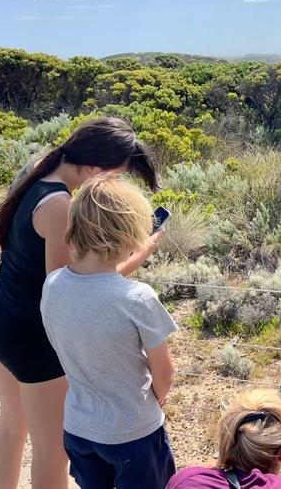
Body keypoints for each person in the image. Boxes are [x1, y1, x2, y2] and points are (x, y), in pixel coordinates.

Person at [0, 117, 162, 489]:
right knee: (52, 450)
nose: (116, 184)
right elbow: (67, 291)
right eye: (116, 175)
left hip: (0, 312)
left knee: (12, 426)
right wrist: (139, 253)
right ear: (94, 167)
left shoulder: (40, 168)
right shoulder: (59, 204)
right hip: (30, 333)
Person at [41, 175, 178, 489]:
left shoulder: (53, 285)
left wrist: (143, 252)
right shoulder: (139, 299)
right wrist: (153, 403)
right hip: (134, 434)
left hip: (78, 429)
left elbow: (95, 283)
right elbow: (165, 375)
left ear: (74, 227)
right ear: (131, 233)